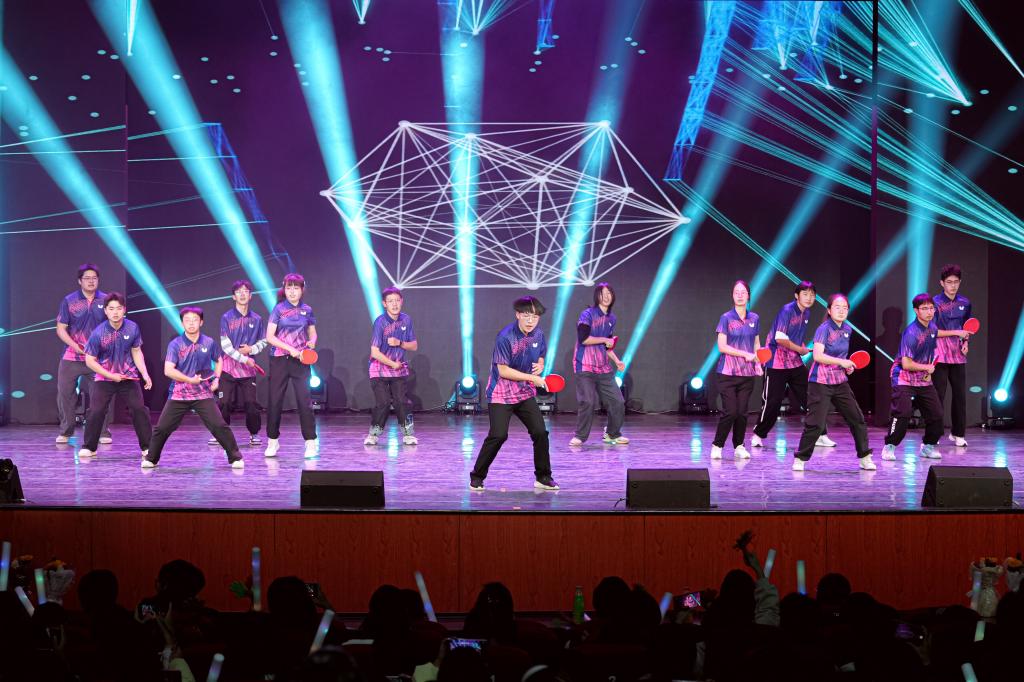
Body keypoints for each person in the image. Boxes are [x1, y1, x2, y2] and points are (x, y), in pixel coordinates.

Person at [469, 296, 558, 492]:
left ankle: (543, 477)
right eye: (526, 315)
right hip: (501, 393)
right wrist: (532, 378)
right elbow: (503, 370)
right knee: (498, 435)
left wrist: (540, 364)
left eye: (535, 316)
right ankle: (477, 476)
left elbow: (541, 355)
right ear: (518, 315)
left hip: (524, 391)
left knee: (540, 432)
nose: (530, 320)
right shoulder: (505, 337)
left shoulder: (538, 335)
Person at [143, 307, 243, 469]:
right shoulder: (175, 344)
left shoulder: (209, 342)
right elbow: (168, 370)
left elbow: (219, 360)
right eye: (187, 320)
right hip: (179, 394)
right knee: (162, 428)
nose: (191, 323)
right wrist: (190, 380)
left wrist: (217, 378)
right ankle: (151, 459)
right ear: (182, 323)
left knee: (219, 426)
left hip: (203, 394)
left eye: (195, 320)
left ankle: (235, 458)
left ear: (201, 322)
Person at [791, 294, 874, 471]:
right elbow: (817, 356)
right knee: (816, 424)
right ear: (829, 310)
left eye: (845, 308)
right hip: (820, 381)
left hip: (840, 381)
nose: (841, 311)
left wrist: (847, 367)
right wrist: (842, 362)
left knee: (857, 419)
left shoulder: (847, 329)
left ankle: (865, 457)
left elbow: (841, 356)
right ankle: (800, 458)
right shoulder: (824, 329)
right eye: (837, 307)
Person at [751, 280, 834, 449]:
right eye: (805, 294)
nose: (809, 298)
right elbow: (780, 338)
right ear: (797, 296)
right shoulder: (787, 310)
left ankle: (820, 434)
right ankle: (758, 434)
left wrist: (801, 347)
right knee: (773, 402)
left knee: (812, 397)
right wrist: (800, 350)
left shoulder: (806, 313)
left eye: (812, 295)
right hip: (775, 362)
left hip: (794, 362)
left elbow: (794, 337)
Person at [77, 293, 153, 459]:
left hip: (128, 377)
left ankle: (148, 447)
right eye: (111, 309)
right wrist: (110, 375)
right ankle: (89, 447)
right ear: (105, 311)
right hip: (105, 377)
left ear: (124, 309)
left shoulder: (132, 327)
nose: (115, 312)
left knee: (139, 409)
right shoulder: (98, 332)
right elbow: (90, 361)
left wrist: (145, 374)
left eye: (118, 308)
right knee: (96, 410)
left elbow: (136, 351)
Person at [55, 264, 115, 444]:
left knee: (101, 396)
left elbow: (114, 326)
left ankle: (103, 432)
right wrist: (75, 346)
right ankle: (66, 431)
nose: (91, 281)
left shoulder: (106, 300)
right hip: (72, 357)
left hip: (97, 358)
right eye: (87, 278)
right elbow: (61, 329)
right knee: (65, 395)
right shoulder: (69, 300)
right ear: (79, 281)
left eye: (94, 278)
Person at [881, 294, 943, 461]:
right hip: (903, 377)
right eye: (924, 308)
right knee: (903, 413)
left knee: (936, 414)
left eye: (931, 308)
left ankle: (928, 446)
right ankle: (889, 446)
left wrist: (928, 371)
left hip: (922, 378)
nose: (929, 312)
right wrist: (927, 368)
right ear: (916, 311)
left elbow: (931, 350)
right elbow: (907, 364)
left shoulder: (932, 328)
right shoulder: (911, 332)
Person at [265, 273, 319, 459]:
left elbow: (313, 333)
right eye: (289, 288)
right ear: (284, 289)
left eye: (296, 288)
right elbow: (270, 337)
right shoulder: (278, 309)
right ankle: (273, 441)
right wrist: (290, 349)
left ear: (302, 290)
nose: (292, 292)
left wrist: (312, 341)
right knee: (275, 401)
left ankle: (310, 442)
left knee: (305, 402)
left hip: (301, 360)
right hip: (279, 360)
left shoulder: (307, 310)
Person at [569, 282, 627, 447]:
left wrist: (617, 360)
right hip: (584, 365)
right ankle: (580, 436)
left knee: (618, 401)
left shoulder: (612, 318)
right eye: (603, 293)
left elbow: (607, 345)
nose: (606, 296)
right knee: (587, 401)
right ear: (597, 296)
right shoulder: (587, 314)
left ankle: (612, 434)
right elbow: (584, 339)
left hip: (603, 368)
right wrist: (604, 340)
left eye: (609, 293)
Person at [212, 279, 268, 446]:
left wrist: (251, 349)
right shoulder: (226, 318)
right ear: (233, 296)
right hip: (228, 369)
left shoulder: (257, 319)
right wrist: (244, 358)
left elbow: (264, 341)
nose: (242, 294)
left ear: (250, 296)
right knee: (224, 402)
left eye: (245, 291)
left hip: (247, 371)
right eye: (239, 292)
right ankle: (220, 434)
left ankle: (254, 433)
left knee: (251, 403)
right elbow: (226, 346)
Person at [710, 280, 761, 460]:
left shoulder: (754, 318)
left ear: (748, 296)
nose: (739, 295)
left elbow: (756, 343)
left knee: (742, 413)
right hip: (727, 373)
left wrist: (758, 362)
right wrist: (744, 354)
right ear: (732, 296)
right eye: (736, 292)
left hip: (747, 374)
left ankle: (739, 445)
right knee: (730, 411)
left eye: (743, 292)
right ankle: (717, 445)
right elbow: (722, 347)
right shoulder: (726, 318)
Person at [364, 287, 418, 446]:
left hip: (398, 370)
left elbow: (414, 345)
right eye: (390, 301)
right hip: (379, 370)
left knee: (402, 402)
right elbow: (374, 352)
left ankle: (408, 434)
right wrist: (392, 363)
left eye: (397, 300)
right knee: (384, 403)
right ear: (384, 304)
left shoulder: (406, 320)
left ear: (401, 301)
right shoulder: (380, 322)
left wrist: (399, 343)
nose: (394, 304)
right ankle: (373, 435)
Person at [932, 264, 972, 448]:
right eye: (949, 282)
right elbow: (933, 332)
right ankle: (935, 433)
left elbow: (967, 328)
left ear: (960, 282)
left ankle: (958, 433)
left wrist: (965, 343)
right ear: (942, 283)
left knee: (960, 396)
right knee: (938, 396)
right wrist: (956, 333)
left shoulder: (965, 303)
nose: (953, 286)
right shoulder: (934, 303)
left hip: (957, 356)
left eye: (956, 282)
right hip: (939, 355)